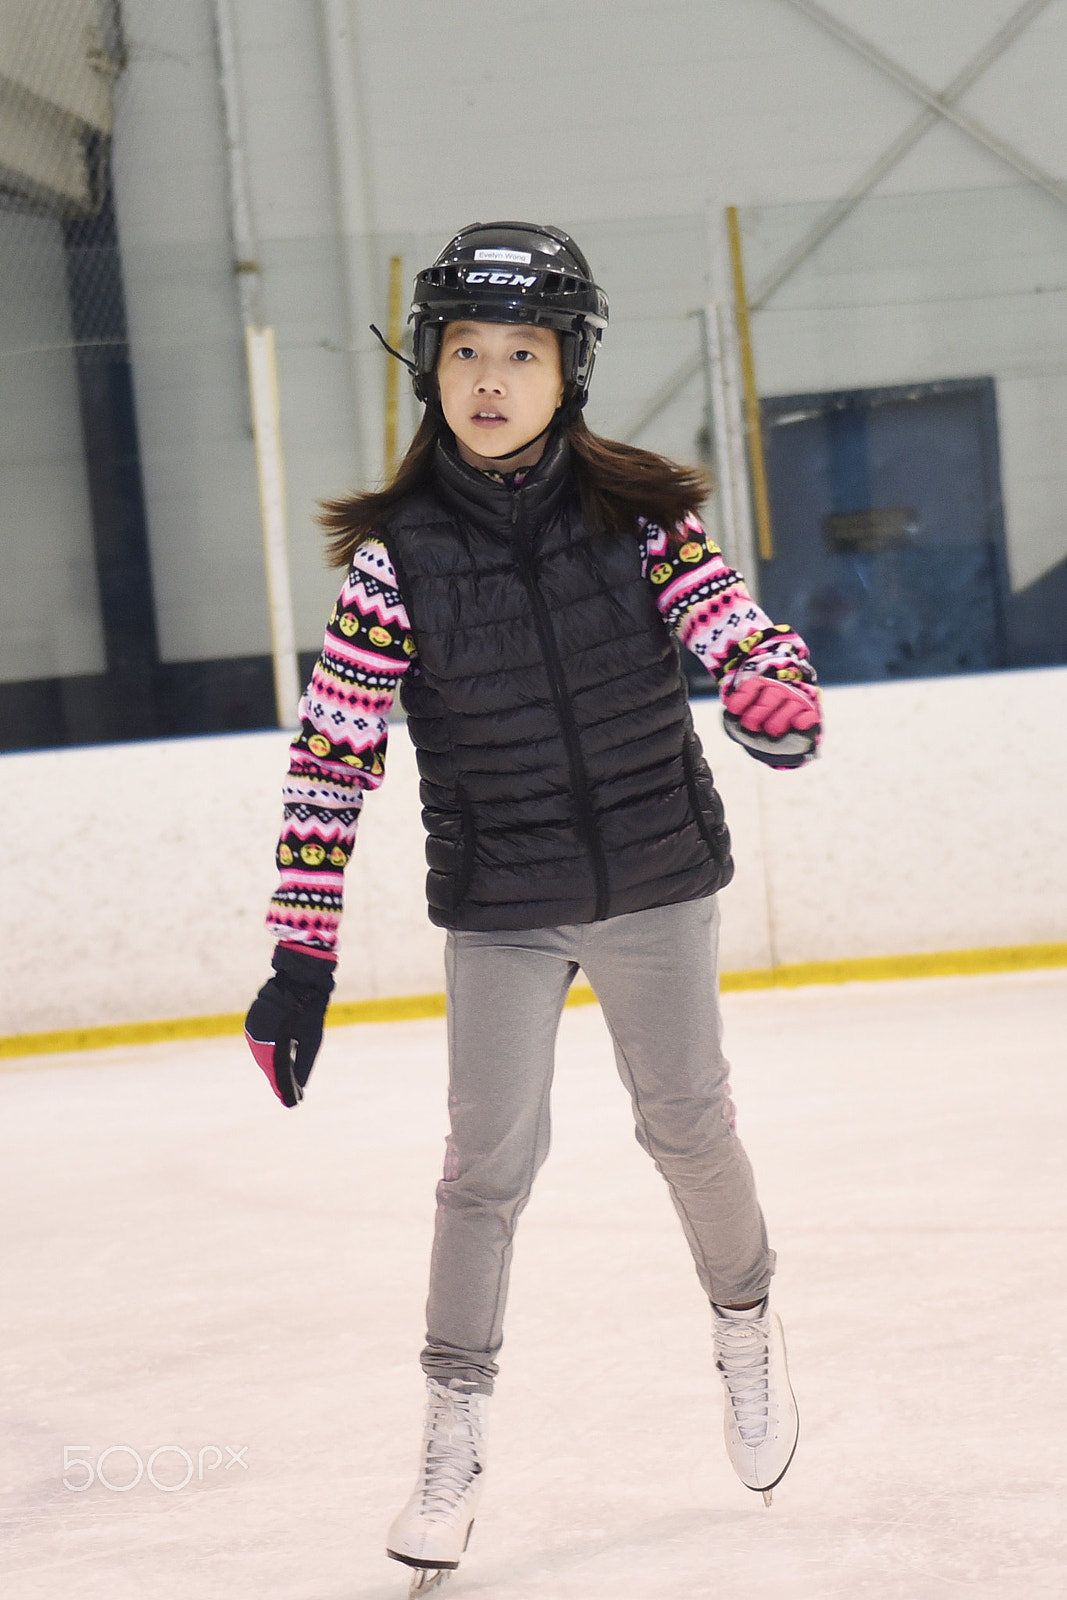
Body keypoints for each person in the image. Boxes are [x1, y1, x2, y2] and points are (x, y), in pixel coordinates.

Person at [245, 221, 818, 1593]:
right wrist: (298, 959)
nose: (490, 379)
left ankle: (745, 1326)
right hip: (502, 903)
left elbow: (742, 630)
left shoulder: (646, 519)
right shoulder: (395, 563)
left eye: (521, 352)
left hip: (652, 879)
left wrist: (772, 694)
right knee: (481, 1169)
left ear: (571, 371)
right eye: (464, 353)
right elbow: (333, 756)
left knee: (685, 1124)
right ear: (428, 373)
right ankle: (449, 1438)